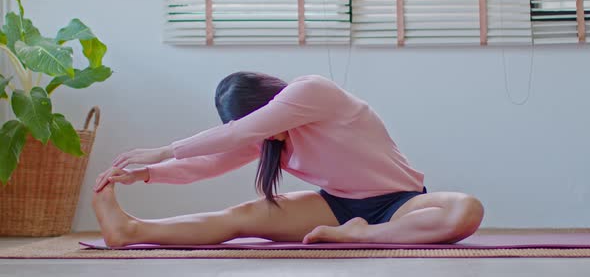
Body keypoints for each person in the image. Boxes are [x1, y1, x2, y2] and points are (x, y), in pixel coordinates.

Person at [93, 72, 484, 247]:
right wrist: (145, 174)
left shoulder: (313, 90)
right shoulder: (263, 136)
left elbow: (239, 133)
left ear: (271, 102)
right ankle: (130, 231)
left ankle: (362, 236)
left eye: (263, 121)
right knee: (239, 218)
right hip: (337, 206)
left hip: (401, 201)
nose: (267, 135)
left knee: (466, 209)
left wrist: (163, 149)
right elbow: (209, 163)